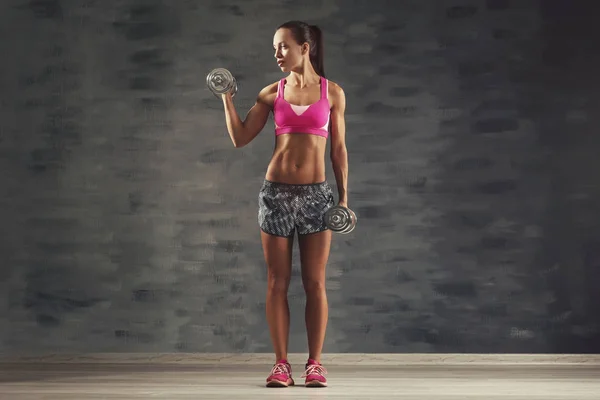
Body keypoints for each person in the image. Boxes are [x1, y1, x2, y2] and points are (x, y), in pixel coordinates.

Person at [221, 20, 350, 388]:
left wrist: (343, 198)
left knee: (315, 282)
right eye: (274, 48)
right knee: (277, 281)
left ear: (305, 48)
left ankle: (315, 364)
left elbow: (338, 151)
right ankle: (280, 364)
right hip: (275, 195)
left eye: (283, 46)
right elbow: (240, 137)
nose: (277, 54)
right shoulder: (270, 93)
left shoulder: (333, 93)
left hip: (316, 198)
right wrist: (227, 99)